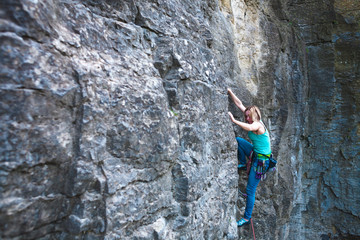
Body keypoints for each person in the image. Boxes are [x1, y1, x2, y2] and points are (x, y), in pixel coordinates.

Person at [227, 88, 272, 227]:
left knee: (250, 190)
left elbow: (249, 127)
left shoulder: (257, 124)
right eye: (245, 116)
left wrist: (234, 120)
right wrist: (230, 92)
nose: (246, 118)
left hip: (261, 162)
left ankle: (246, 218)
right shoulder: (252, 120)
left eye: (248, 116)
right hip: (255, 153)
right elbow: (240, 104)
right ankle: (242, 163)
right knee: (239, 141)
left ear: (254, 115)